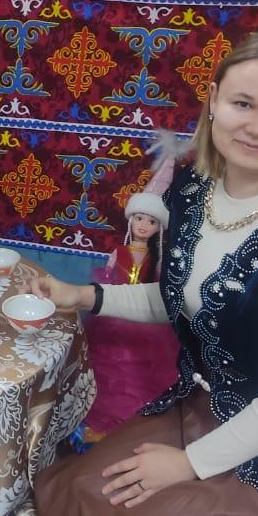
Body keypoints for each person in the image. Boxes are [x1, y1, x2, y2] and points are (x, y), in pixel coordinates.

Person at [29, 31, 258, 516]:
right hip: (207, 403)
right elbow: (185, 299)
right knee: (83, 488)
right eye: (243, 104)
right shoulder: (194, 191)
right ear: (215, 100)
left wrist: (187, 464)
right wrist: (85, 295)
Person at [78, 151, 180, 446]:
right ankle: (97, 422)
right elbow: (108, 279)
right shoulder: (118, 253)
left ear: (159, 227)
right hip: (112, 317)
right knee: (106, 367)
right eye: (139, 218)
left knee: (138, 373)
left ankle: (130, 424)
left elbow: (159, 289)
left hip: (146, 322)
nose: (144, 225)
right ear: (131, 220)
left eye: (152, 221)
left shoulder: (158, 258)